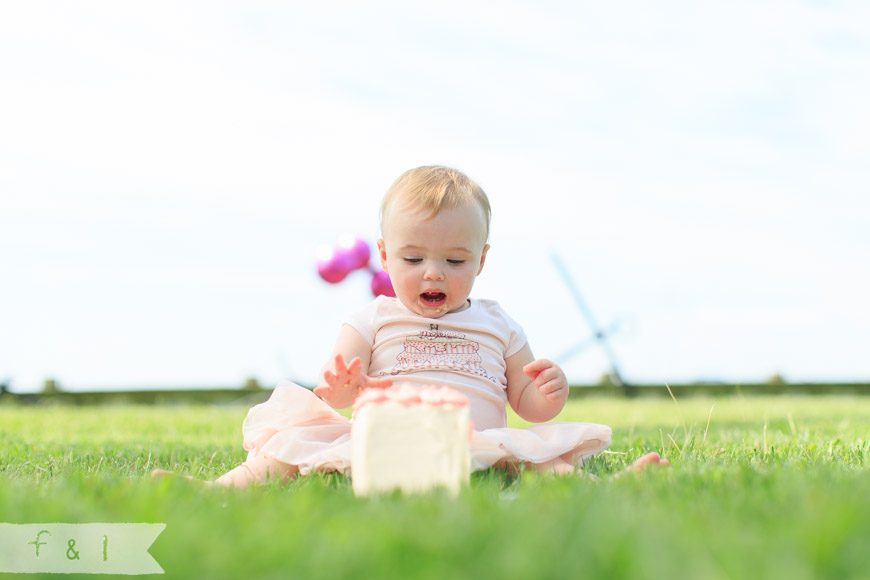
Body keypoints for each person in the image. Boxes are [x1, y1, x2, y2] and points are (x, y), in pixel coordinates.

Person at [156, 165, 666, 488]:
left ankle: (615, 487)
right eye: (414, 256)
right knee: (290, 446)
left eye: (455, 259)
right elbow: (333, 390)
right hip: (383, 440)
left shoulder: (498, 323)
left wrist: (548, 393)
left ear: (482, 260)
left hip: (473, 439)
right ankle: (215, 490)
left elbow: (525, 403)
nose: (433, 272)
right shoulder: (373, 317)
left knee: (539, 463)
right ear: (384, 255)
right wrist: (340, 387)